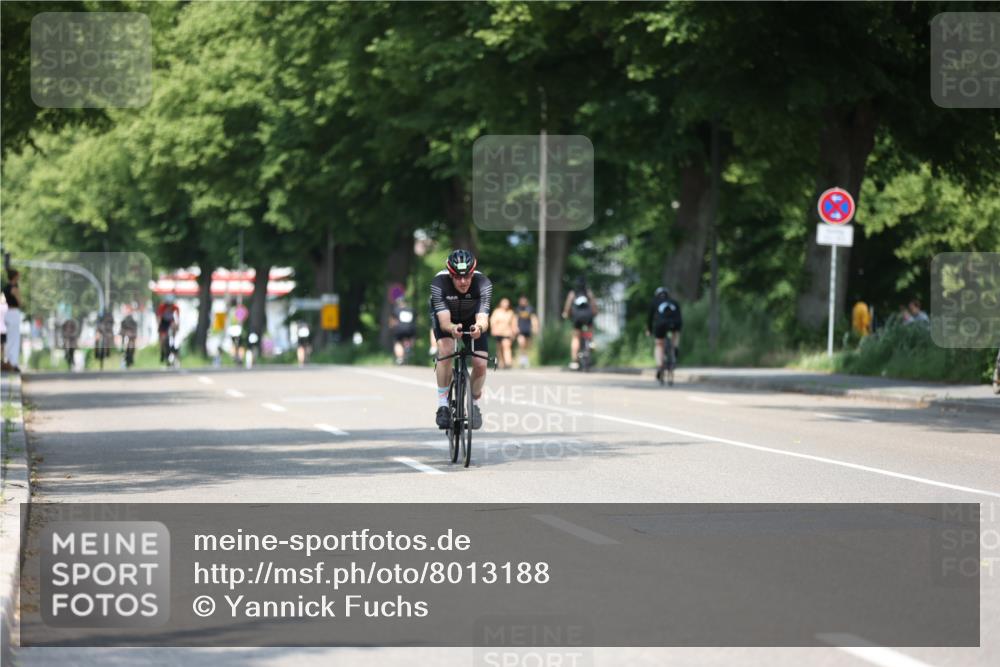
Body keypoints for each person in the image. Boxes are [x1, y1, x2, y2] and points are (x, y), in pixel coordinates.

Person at [429, 249, 492, 429]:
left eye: (467, 276)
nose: (463, 282)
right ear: (450, 274)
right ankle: (442, 405)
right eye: (457, 277)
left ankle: (474, 403)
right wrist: (452, 328)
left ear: (473, 272)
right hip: (447, 319)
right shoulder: (439, 283)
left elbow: (483, 318)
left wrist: (478, 328)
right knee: (447, 350)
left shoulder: (483, 283)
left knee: (480, 363)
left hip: (472, 319)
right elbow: (444, 322)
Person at [646, 286, 683, 384]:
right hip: (675, 323)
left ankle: (659, 366)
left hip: (661, 324)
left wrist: (649, 330)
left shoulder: (655, 302)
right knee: (676, 335)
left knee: (659, 344)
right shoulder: (674, 302)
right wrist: (678, 329)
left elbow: (650, 318)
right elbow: (680, 318)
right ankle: (675, 349)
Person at [562, 277, 597, 369]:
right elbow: (593, 303)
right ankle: (591, 343)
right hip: (588, 316)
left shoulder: (573, 293)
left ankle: (574, 361)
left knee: (576, 337)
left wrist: (566, 313)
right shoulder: (588, 292)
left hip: (577, 316)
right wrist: (594, 312)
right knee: (590, 331)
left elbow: (568, 304)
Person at [2, 270, 22, 373]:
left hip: (8, 312)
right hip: (14, 312)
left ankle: (9, 361)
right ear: (14, 277)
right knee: (15, 339)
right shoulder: (14, 288)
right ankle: (13, 363)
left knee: (10, 339)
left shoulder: (5, 288)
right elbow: (20, 302)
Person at [489, 297, 516, 369]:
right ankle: (501, 363)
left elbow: (513, 323)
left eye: (507, 303)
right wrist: (493, 329)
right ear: (501, 304)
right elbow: (492, 321)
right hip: (498, 332)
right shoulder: (497, 311)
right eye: (504, 303)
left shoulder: (510, 312)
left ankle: (508, 362)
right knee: (499, 348)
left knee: (506, 346)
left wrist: (514, 332)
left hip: (507, 333)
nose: (506, 304)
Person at [389, 297, 417, 365]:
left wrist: (391, 327)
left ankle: (400, 358)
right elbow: (415, 319)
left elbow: (393, 321)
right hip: (410, 329)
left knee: (398, 342)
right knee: (411, 337)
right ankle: (408, 347)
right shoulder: (411, 310)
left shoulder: (396, 310)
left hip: (400, 329)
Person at [514, 295, 540, 369]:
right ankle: (522, 360)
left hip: (528, 329)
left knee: (527, 346)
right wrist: (515, 327)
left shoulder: (530, 309)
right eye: (521, 301)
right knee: (521, 343)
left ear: (526, 302)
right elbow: (515, 319)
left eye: (524, 301)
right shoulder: (517, 309)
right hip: (520, 330)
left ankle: (525, 359)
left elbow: (534, 318)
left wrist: (535, 327)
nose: (523, 302)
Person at [156, 295, 180, 363]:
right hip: (163, 322)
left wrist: (177, 327)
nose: (169, 307)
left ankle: (173, 342)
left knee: (174, 327)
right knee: (163, 338)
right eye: (168, 305)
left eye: (171, 305)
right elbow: (159, 318)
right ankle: (162, 351)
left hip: (170, 322)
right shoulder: (162, 307)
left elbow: (177, 319)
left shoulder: (175, 307)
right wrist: (159, 327)